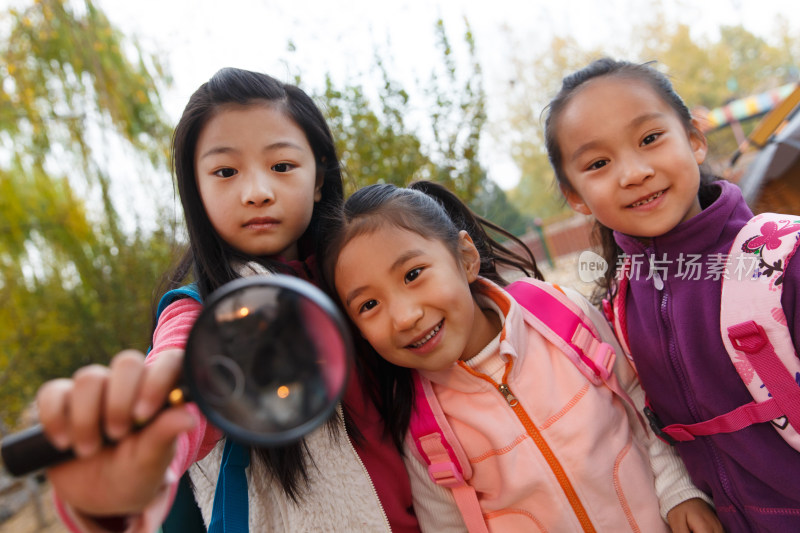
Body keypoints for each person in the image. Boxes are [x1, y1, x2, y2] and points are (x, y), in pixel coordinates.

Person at [34, 67, 428, 532]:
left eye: (282, 166)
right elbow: (176, 382)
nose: (257, 193)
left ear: (320, 178)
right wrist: (131, 468)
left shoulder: (363, 280)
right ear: (196, 191)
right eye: (225, 171)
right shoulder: (199, 314)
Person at [318, 180, 722, 532]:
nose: (404, 317)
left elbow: (639, 399)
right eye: (369, 305)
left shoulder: (559, 315)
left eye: (412, 275)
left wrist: (677, 490)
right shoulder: (424, 430)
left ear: (465, 257)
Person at [544, 57, 800, 531]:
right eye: (599, 163)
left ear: (695, 139)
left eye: (649, 139)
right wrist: (677, 491)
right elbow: (642, 419)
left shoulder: (783, 258)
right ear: (576, 196)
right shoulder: (617, 306)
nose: (634, 172)